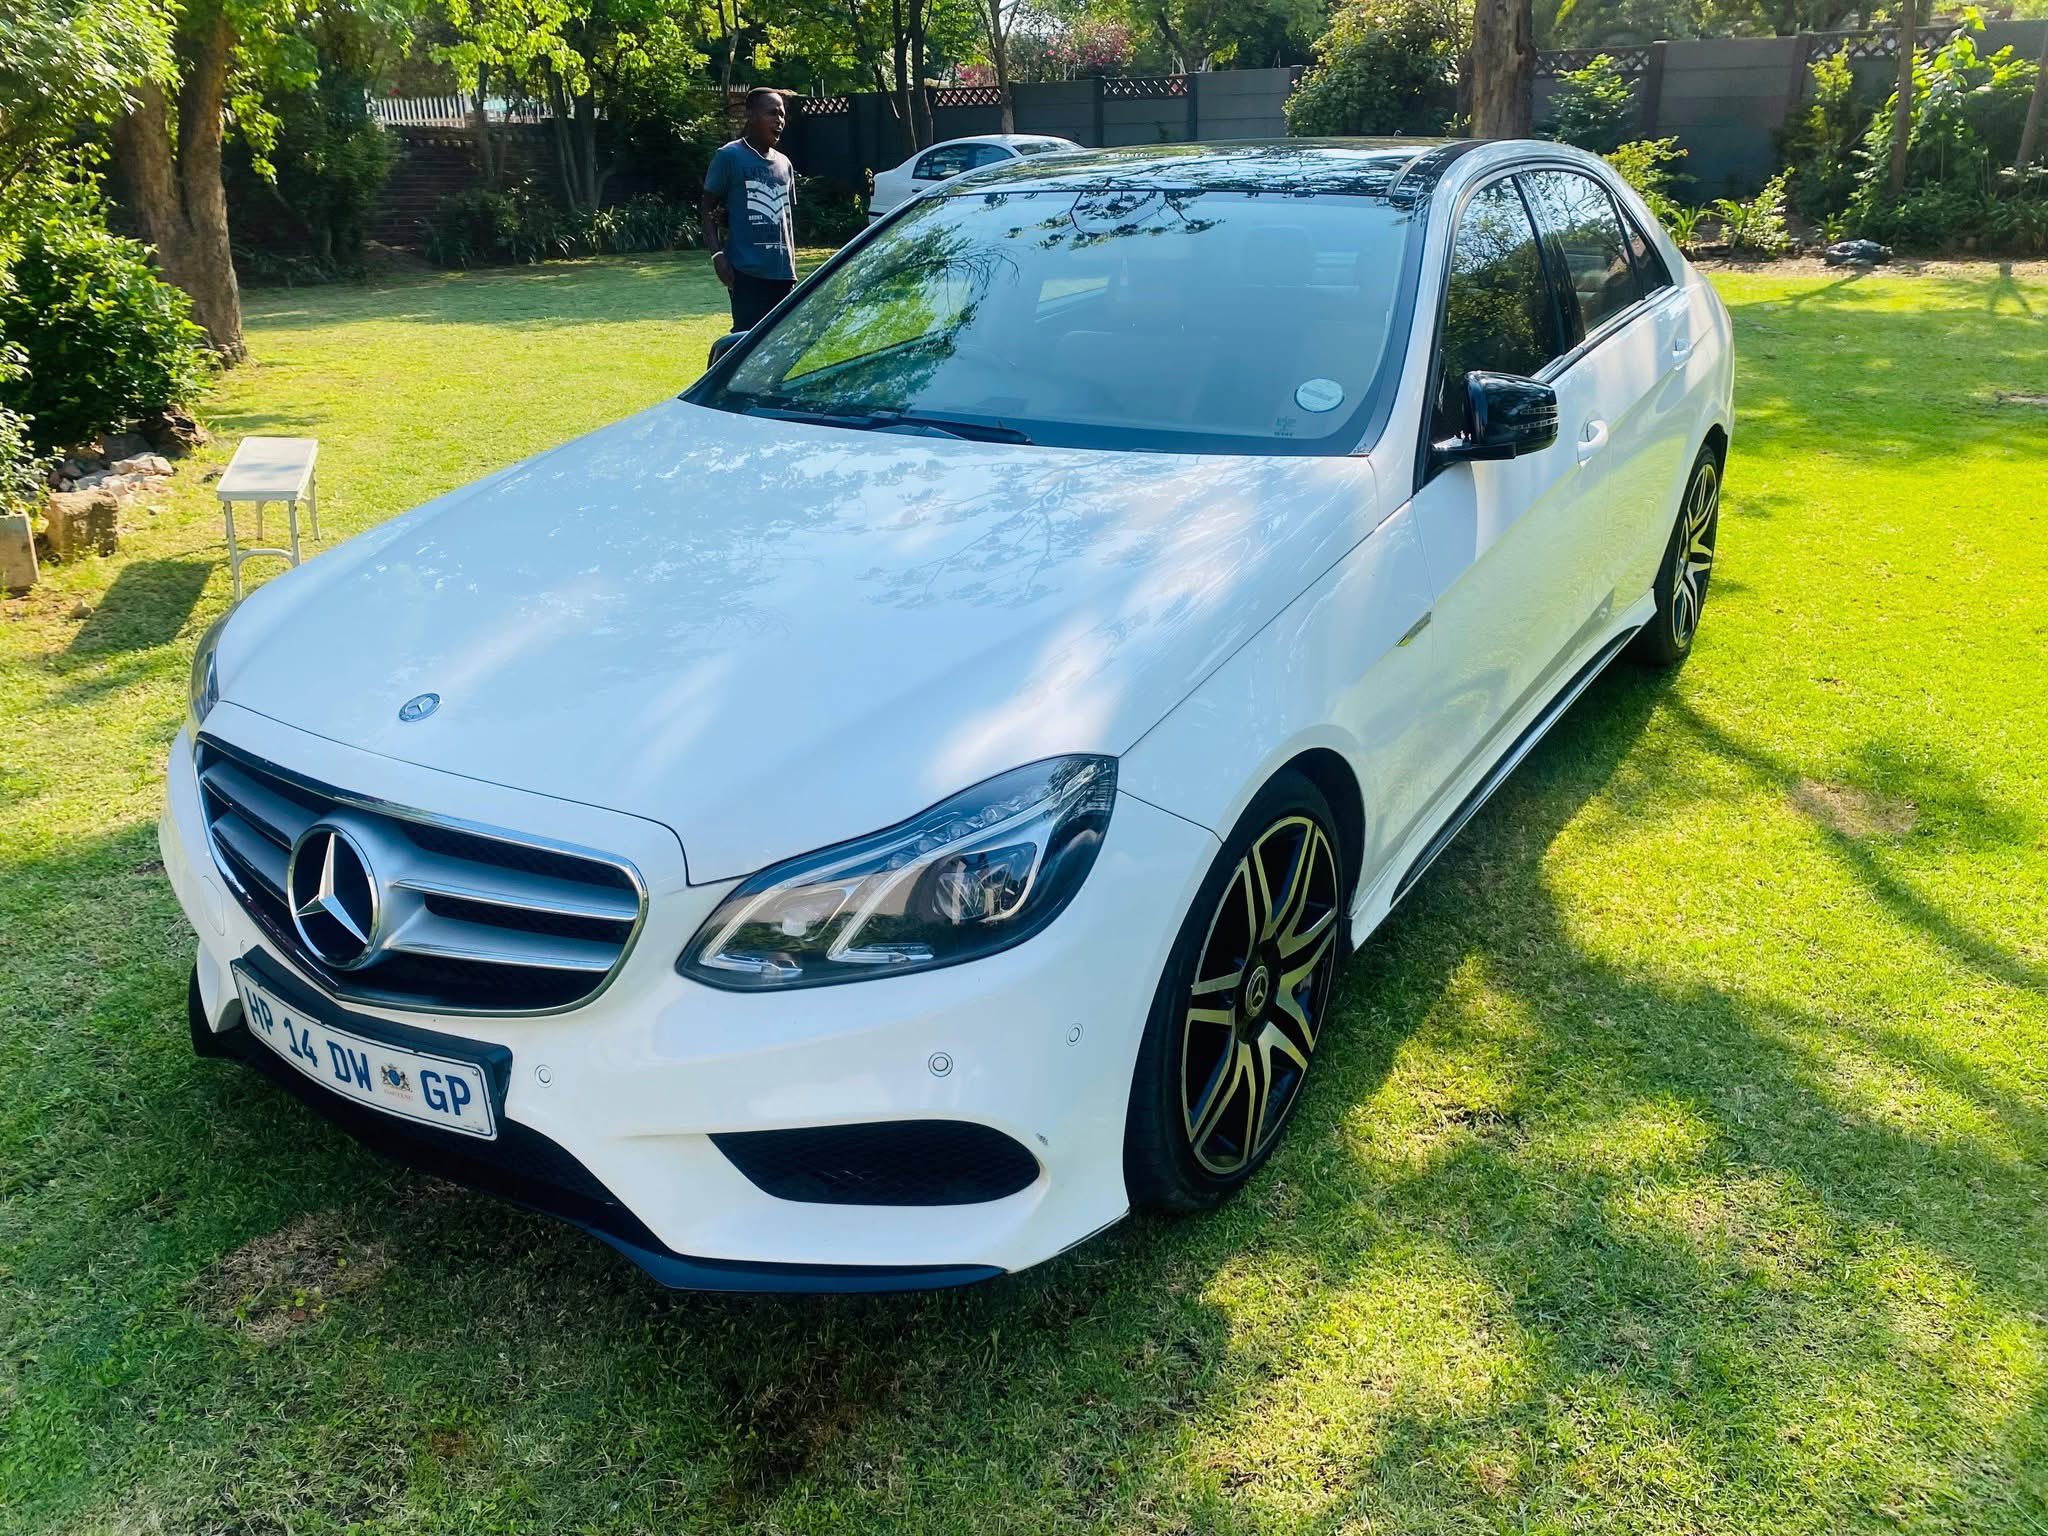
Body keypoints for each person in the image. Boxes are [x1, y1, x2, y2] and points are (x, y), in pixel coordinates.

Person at [703, 89, 798, 332]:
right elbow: (706, 208)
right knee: (747, 338)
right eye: (772, 113)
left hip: (784, 273)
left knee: (781, 339)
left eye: (782, 115)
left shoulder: (785, 164)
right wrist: (717, 256)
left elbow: (784, 218)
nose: (779, 120)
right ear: (751, 115)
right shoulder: (729, 156)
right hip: (747, 272)